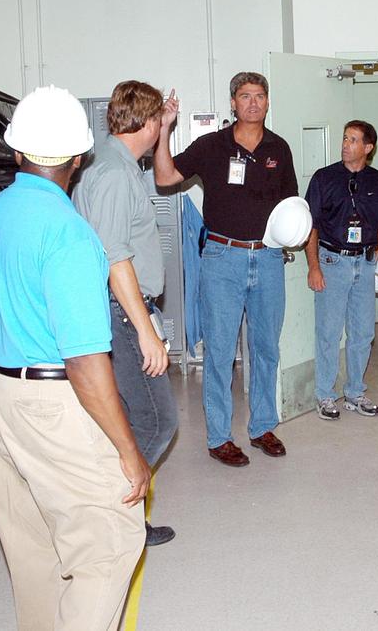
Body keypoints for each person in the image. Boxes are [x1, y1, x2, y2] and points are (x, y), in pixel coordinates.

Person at [0, 85, 147, 631]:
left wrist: (8, 378)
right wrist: (128, 451)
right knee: (109, 542)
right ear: (78, 159)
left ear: (16, 152)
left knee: (33, 553)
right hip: (53, 401)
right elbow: (86, 362)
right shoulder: (69, 235)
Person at [154, 72, 298, 467]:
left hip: (268, 259)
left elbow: (292, 208)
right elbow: (165, 177)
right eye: (245, 96)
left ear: (268, 102)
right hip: (222, 258)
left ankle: (262, 427)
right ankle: (219, 437)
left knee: (266, 348)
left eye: (260, 96)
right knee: (219, 353)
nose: (253, 102)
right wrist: (165, 128)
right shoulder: (211, 146)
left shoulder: (279, 149)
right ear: (232, 103)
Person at [73, 80, 180, 547]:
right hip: (121, 314)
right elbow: (116, 258)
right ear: (148, 122)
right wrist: (146, 332)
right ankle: (114, 513)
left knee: (133, 421)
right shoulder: (115, 174)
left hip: (120, 312)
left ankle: (123, 518)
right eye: (159, 120)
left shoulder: (110, 163)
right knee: (158, 421)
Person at [304, 121, 378, 420]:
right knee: (328, 333)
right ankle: (326, 396)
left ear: (368, 148)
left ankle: (355, 392)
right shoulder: (324, 178)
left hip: (366, 263)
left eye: (353, 140)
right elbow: (310, 227)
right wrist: (313, 266)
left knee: (363, 333)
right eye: (344, 138)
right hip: (332, 263)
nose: (345, 144)